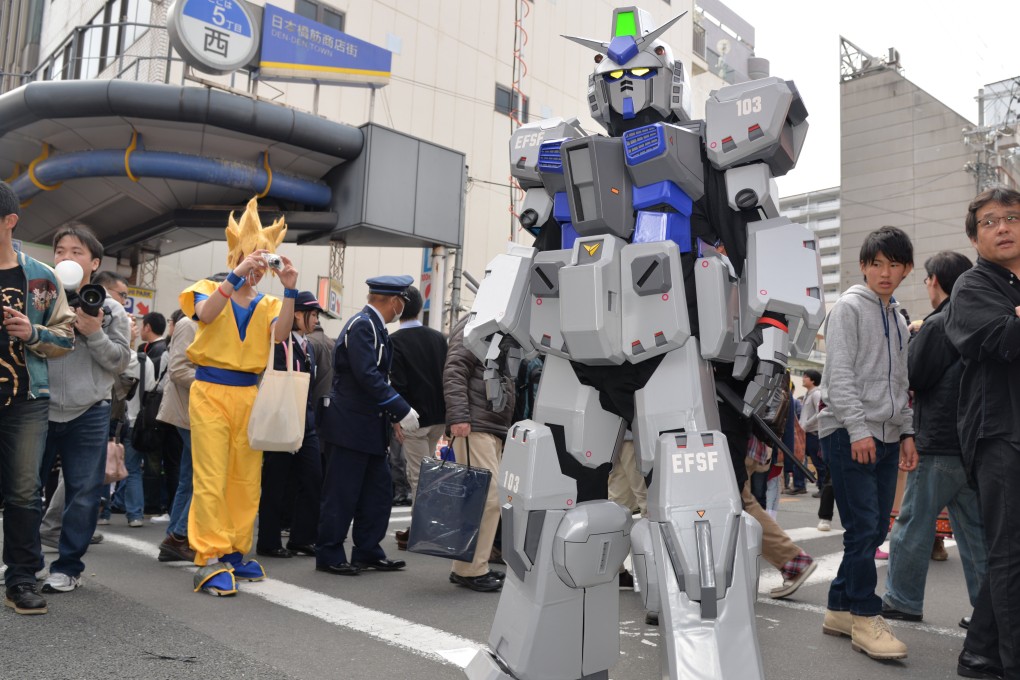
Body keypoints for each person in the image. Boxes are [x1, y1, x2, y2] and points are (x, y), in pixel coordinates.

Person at [180, 198, 297, 596]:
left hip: (249, 395)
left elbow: (280, 337)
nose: (259, 268)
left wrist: (292, 289)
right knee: (211, 475)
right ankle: (209, 557)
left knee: (246, 479)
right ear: (237, 255)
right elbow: (207, 316)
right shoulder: (208, 288)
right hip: (210, 391)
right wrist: (235, 277)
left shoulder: (269, 303)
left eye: (265, 262)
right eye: (253, 258)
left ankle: (234, 550)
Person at [816, 225, 918, 660]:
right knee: (863, 530)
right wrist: (857, 429)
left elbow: (901, 382)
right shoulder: (848, 310)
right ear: (863, 266)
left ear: (906, 269)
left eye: (894, 264)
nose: (885, 272)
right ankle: (864, 614)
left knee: (875, 527)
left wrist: (908, 431)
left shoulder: (897, 318)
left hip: (888, 433)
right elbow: (838, 376)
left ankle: (839, 606)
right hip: (847, 431)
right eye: (876, 263)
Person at [881, 250, 987, 624]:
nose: (925, 284)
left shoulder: (940, 325)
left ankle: (902, 600)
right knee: (975, 533)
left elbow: (915, 376)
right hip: (972, 444)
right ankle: (988, 611)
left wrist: (916, 336)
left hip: (939, 440)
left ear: (937, 281)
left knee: (912, 524)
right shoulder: (977, 320)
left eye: (927, 279)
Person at [946, 187, 1020, 679]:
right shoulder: (973, 286)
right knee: (1010, 552)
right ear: (974, 238)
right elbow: (1000, 339)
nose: (1003, 227)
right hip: (999, 433)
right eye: (990, 221)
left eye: (1012, 217)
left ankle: (980, 655)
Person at [40, 222, 133, 595]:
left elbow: (120, 362)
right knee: (26, 490)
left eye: (76, 252)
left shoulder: (112, 310)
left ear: (94, 262)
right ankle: (24, 563)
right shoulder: (40, 297)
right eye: (60, 251)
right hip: (39, 407)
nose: (66, 258)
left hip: (90, 409)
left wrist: (93, 331)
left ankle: (67, 568)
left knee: (83, 491)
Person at [0, 180, 75, 614]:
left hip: (26, 397)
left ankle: (22, 579)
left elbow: (65, 339)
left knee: (25, 492)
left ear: (10, 222)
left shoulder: (41, 278)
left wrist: (33, 332)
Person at [316, 275, 419, 577]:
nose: (402, 305)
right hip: (350, 425)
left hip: (368, 426)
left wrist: (392, 417)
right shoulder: (363, 325)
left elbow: (376, 378)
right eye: (402, 299)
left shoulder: (374, 327)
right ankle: (330, 552)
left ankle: (367, 549)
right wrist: (400, 408)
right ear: (392, 300)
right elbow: (367, 375)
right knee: (341, 492)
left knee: (377, 493)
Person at [443, 315, 513, 593]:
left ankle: (468, 568)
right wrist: (459, 416)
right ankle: (470, 570)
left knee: (481, 499)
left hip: (486, 424)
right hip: (474, 424)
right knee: (489, 498)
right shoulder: (477, 323)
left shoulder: (491, 324)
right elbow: (454, 370)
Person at [256, 291, 323, 559]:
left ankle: (302, 538)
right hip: (281, 417)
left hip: (305, 420)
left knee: (313, 477)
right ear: (297, 314)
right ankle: (268, 541)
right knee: (276, 480)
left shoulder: (308, 345)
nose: (316, 319)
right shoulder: (280, 342)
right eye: (313, 313)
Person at [389, 285, 448, 533]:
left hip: (414, 419)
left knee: (418, 474)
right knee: (430, 469)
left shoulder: (395, 341)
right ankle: (432, 522)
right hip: (439, 417)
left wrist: (396, 419)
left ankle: (423, 529)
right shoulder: (438, 338)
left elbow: (398, 385)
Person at [155, 311, 197, 563]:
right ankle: (178, 536)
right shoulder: (189, 324)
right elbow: (179, 370)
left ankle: (175, 536)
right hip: (189, 410)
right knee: (203, 478)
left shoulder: (198, 323)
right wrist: (217, 381)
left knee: (189, 478)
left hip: (194, 411)